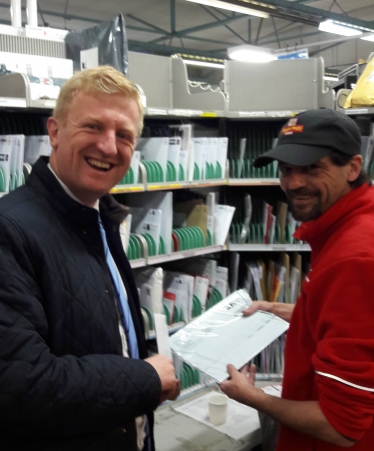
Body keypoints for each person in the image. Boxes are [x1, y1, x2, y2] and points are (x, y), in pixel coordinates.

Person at [0, 65, 180, 451]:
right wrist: (144, 379)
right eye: (93, 127)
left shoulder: (100, 217)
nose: (109, 146)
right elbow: (20, 385)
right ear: (54, 131)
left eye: (124, 135)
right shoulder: (9, 231)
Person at [220, 109, 374, 451]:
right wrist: (281, 310)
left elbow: (343, 428)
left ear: (352, 167)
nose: (293, 183)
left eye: (311, 168)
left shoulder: (354, 256)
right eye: (286, 170)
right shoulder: (352, 228)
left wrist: (255, 398)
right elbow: (343, 318)